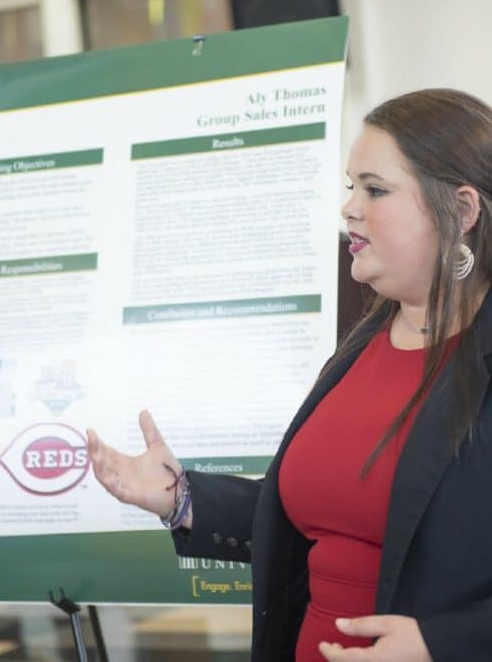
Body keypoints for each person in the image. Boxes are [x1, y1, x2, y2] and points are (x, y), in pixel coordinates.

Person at [87, 88, 492, 662]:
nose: (350, 208)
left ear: (463, 210)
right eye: (352, 187)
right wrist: (180, 499)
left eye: (375, 190)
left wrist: (439, 644)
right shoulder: (360, 344)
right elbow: (312, 517)